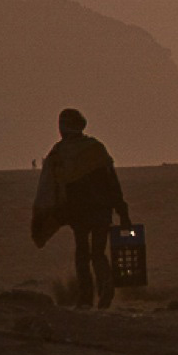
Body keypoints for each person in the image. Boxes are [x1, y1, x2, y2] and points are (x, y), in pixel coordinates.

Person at [32, 109, 130, 309]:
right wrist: (122, 210)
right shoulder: (96, 149)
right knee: (98, 252)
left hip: (78, 213)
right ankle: (105, 288)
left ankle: (86, 299)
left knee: (82, 254)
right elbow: (113, 182)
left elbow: (50, 188)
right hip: (102, 211)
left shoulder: (59, 154)